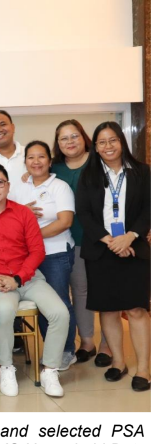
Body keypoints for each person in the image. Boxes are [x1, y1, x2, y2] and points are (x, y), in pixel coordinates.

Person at [0, 163, 69, 397]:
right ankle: (6, 367)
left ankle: (50, 370)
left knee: (60, 313)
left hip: (29, 278)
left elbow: (37, 251)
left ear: (8, 185)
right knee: (4, 313)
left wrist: (18, 277)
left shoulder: (23, 213)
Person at [76, 122, 150, 392]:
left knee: (136, 309)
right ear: (95, 147)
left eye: (112, 140)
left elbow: (147, 210)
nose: (108, 146)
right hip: (101, 249)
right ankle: (118, 362)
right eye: (101, 142)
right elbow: (83, 213)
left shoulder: (143, 172)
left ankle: (144, 368)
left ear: (122, 141)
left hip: (134, 248)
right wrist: (109, 240)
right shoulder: (89, 175)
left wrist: (129, 236)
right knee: (107, 309)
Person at [10, 141, 78, 370]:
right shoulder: (18, 188)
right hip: (25, 257)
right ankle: (51, 349)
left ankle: (67, 351)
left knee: (58, 303)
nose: (36, 162)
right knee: (41, 304)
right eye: (31, 157)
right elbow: (7, 216)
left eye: (41, 157)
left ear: (50, 161)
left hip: (55, 254)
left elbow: (65, 221)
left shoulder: (60, 187)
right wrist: (23, 214)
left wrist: (31, 234)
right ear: (25, 162)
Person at [50, 120, 110, 365]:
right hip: (72, 239)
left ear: (84, 137)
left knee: (107, 291)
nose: (70, 142)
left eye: (74, 136)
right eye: (64, 138)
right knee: (81, 292)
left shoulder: (101, 163)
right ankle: (87, 341)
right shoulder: (54, 168)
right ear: (58, 143)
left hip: (105, 238)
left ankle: (108, 343)